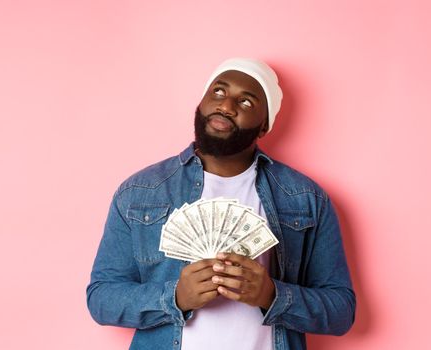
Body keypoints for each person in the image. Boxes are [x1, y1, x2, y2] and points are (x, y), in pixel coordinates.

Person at [86, 58, 356, 350]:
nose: (226, 106)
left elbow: (341, 312)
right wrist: (175, 297)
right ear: (201, 101)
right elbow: (101, 300)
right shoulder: (140, 192)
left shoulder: (306, 198)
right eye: (218, 92)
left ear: (264, 125)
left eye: (247, 102)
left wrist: (271, 295)